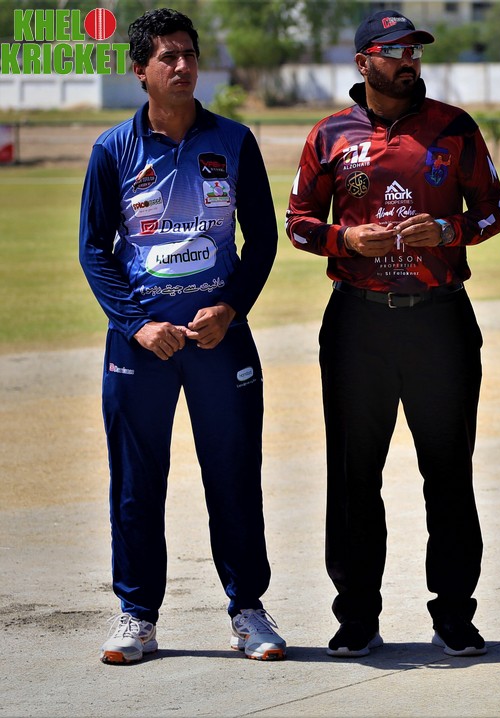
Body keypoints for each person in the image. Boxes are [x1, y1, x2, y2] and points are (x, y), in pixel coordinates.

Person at [286, 10, 500, 659]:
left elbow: (494, 210)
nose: (409, 61)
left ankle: (454, 614)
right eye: (395, 51)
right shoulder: (330, 134)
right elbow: (297, 222)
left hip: (440, 319)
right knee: (354, 474)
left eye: (415, 51)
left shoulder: (454, 128)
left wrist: (449, 230)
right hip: (358, 322)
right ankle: (357, 615)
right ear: (363, 62)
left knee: (448, 470)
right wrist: (345, 238)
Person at [79, 7, 284, 664]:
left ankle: (248, 610)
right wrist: (138, 325)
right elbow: (93, 249)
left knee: (233, 474)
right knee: (136, 482)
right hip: (142, 344)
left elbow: (262, 241)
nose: (182, 65)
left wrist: (230, 309)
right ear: (140, 70)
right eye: (167, 56)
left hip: (219, 341)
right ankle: (137, 616)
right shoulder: (113, 150)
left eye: (189, 54)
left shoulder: (234, 140)